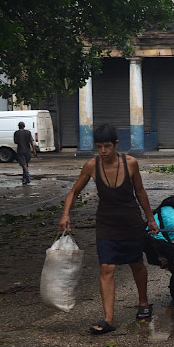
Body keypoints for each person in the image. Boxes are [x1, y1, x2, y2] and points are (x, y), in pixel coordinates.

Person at [59, 124, 158, 334]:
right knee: (106, 267)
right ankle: (108, 319)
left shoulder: (131, 163)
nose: (103, 151)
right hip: (106, 223)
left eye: (107, 147)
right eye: (99, 147)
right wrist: (66, 214)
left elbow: (140, 192)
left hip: (130, 220)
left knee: (136, 263)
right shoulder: (91, 166)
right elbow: (74, 191)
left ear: (116, 145)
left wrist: (150, 219)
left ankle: (143, 302)